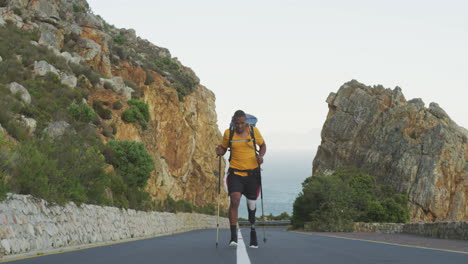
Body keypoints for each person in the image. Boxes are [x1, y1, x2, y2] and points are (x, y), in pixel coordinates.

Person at [215, 110, 266, 248]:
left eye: (242, 123)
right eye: (237, 123)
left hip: (252, 174)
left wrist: (260, 156)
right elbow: (224, 148)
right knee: (235, 199)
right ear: (233, 122)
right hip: (235, 173)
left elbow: (263, 145)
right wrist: (220, 151)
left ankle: (253, 231)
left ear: (246, 122)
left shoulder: (254, 132)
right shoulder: (228, 133)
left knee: (251, 205)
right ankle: (233, 238)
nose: (239, 126)